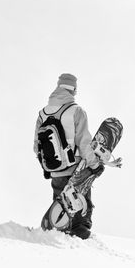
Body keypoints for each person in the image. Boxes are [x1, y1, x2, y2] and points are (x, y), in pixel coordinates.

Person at [34, 73, 104, 239]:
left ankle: (59, 233)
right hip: (76, 170)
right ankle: (80, 239)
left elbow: (36, 146)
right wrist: (95, 165)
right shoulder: (76, 111)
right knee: (81, 205)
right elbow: (84, 143)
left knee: (61, 205)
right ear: (73, 89)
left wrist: (46, 166)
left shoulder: (42, 114)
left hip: (55, 169)